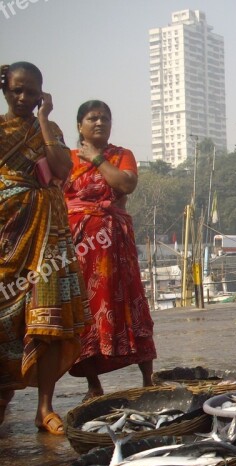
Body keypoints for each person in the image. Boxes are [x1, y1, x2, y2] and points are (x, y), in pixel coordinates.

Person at [0, 62, 89, 434]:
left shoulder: (49, 128)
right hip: (8, 230)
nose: (23, 97)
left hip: (49, 235)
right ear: (5, 89)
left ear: (42, 94)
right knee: (5, 319)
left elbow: (61, 169)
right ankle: (3, 397)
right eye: (17, 90)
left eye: (32, 91)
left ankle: (45, 407)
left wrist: (43, 119)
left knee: (49, 320)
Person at [63, 100, 157, 399]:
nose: (99, 123)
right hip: (81, 247)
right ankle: (93, 384)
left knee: (131, 302)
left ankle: (148, 377)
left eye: (105, 118)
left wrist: (98, 159)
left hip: (115, 245)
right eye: (93, 118)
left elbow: (126, 184)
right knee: (86, 311)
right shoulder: (65, 159)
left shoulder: (120, 155)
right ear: (80, 125)